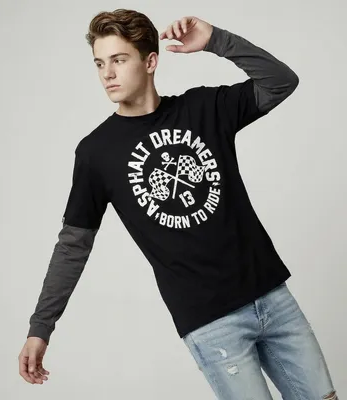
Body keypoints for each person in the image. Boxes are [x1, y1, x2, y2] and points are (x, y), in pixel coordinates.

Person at [18, 9, 338, 399]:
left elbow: (281, 82)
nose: (107, 74)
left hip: (272, 297)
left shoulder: (204, 109)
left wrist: (216, 39)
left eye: (119, 60)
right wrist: (41, 327)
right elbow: (73, 246)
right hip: (210, 322)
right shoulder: (96, 153)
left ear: (150, 61)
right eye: (100, 63)